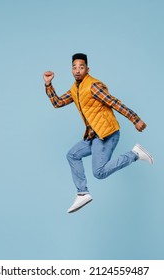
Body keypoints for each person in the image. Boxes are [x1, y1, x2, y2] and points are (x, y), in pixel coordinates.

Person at [43, 53, 153, 213]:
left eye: (81, 67)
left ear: (87, 69)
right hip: (93, 135)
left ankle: (135, 154)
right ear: (71, 71)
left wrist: (135, 119)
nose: (77, 70)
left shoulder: (93, 85)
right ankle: (82, 193)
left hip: (107, 134)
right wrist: (48, 85)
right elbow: (58, 103)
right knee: (72, 154)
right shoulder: (76, 89)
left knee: (99, 173)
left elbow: (113, 102)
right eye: (74, 67)